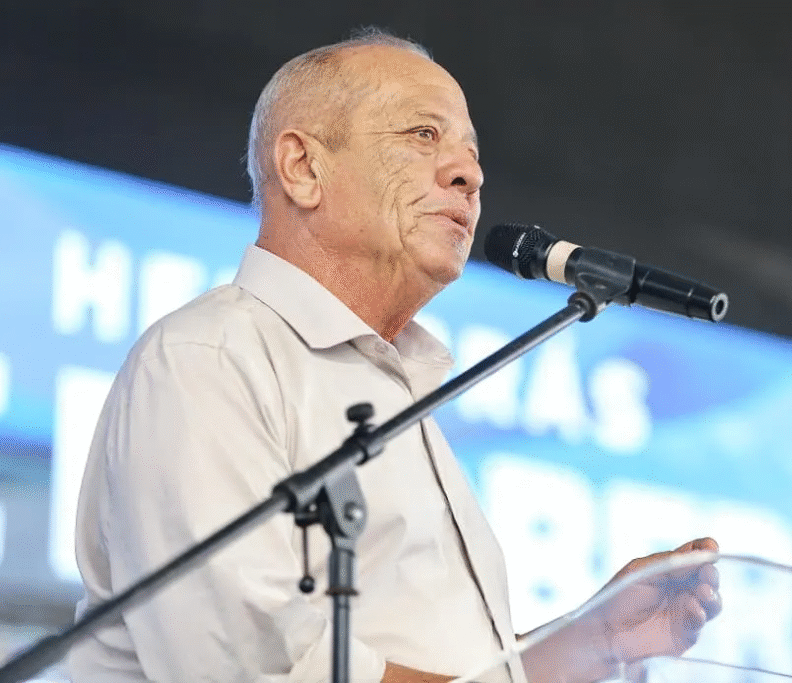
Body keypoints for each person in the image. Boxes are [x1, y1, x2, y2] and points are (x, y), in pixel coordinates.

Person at [69, 28, 721, 683]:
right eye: (423, 135)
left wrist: (595, 639)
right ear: (302, 167)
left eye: (471, 154)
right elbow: (250, 669)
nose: (470, 174)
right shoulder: (211, 359)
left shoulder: (397, 390)